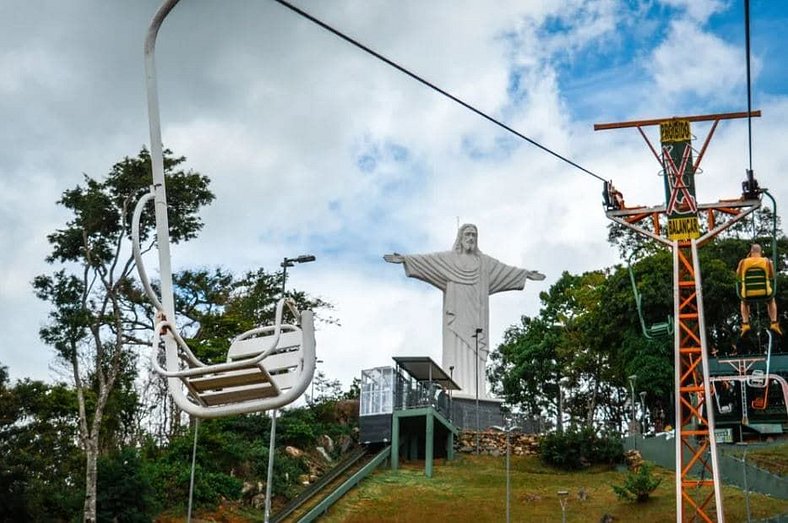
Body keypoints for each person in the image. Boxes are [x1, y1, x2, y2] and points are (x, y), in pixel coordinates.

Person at [384, 224, 545, 397]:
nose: (471, 238)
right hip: (456, 317)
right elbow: (428, 261)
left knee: (475, 352)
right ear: (460, 237)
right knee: (455, 350)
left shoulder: (484, 263)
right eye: (467, 234)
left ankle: (477, 392)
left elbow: (504, 271)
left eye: (474, 235)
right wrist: (406, 260)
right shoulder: (449, 260)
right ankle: (455, 391)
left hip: (477, 318)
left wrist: (525, 274)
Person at [737, 243, 781, 335]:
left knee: (744, 302)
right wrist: (771, 265)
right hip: (764, 292)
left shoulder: (743, 262)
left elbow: (738, 276)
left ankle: (745, 323)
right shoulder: (766, 261)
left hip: (747, 294)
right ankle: (774, 322)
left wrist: (745, 260)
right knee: (771, 301)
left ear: (751, 252)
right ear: (760, 252)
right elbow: (772, 276)